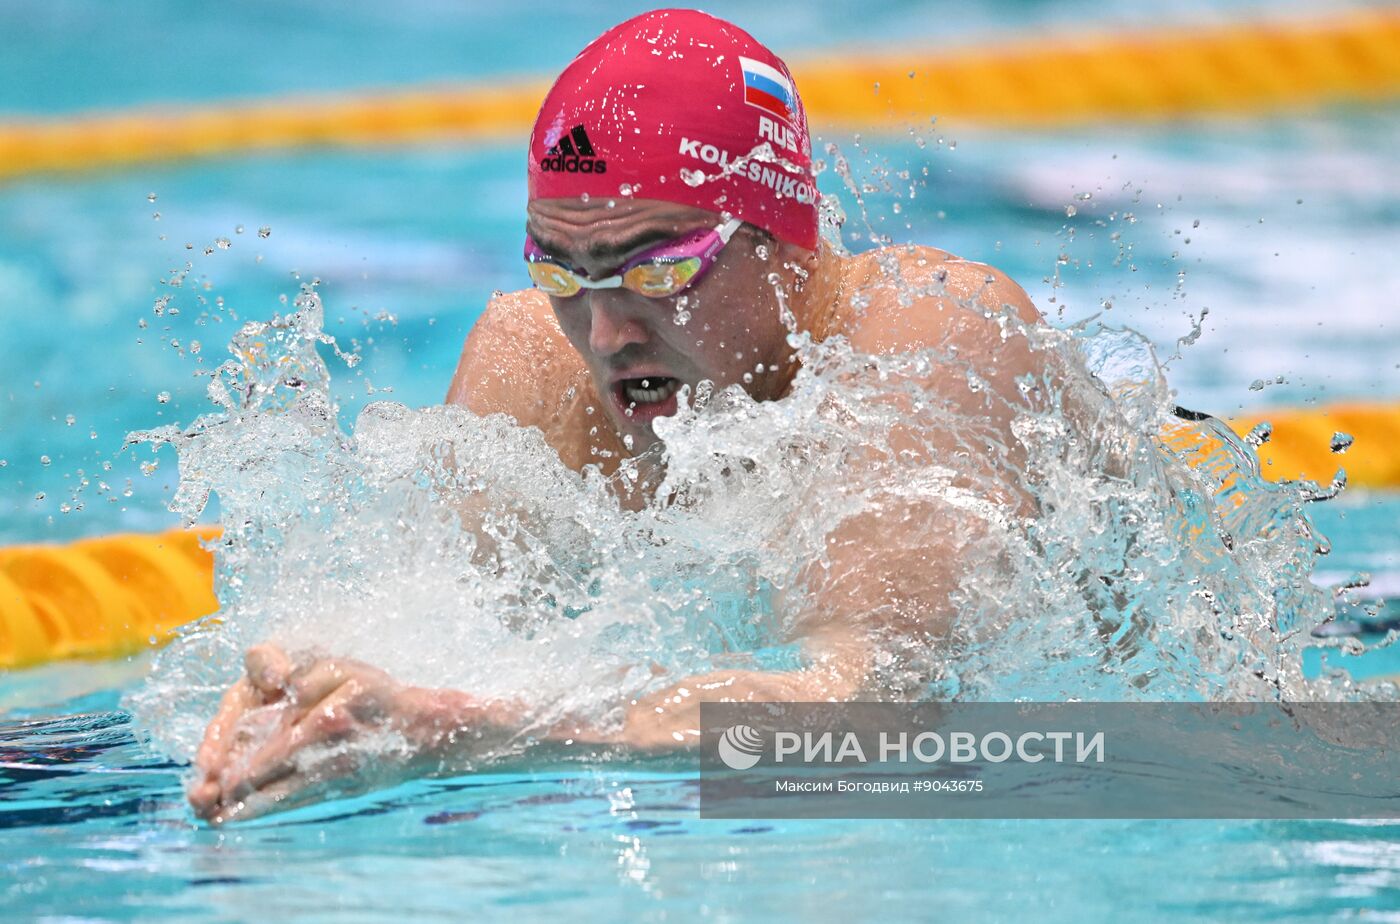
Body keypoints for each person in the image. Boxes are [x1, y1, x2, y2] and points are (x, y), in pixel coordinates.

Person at [188, 8, 1047, 824]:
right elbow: (439, 630)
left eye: (659, 270)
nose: (604, 334)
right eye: (560, 271)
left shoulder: (929, 339)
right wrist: (317, 686)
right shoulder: (534, 361)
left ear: (785, 244)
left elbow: (875, 712)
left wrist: (486, 731)